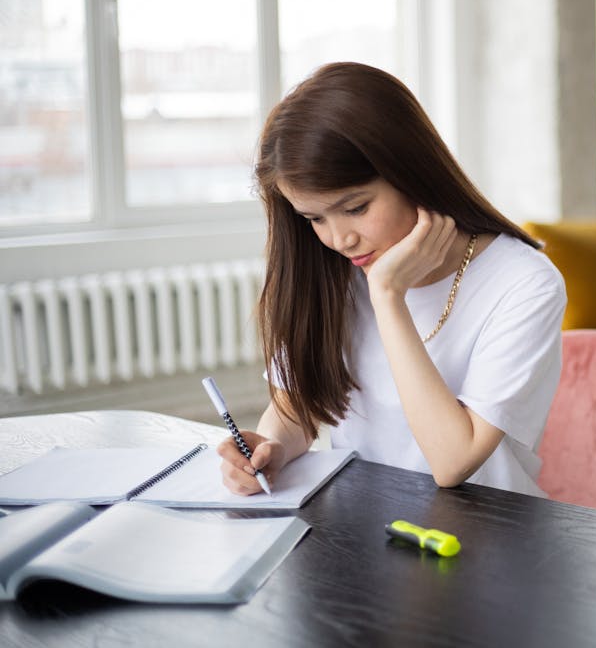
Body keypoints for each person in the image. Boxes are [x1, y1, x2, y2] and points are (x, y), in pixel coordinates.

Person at [217, 62, 567, 497]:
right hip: (366, 523)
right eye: (314, 218)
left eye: (356, 207)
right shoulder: (331, 270)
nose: (339, 238)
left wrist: (388, 296)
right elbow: (295, 410)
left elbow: (453, 462)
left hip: (485, 533)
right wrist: (270, 449)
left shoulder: (525, 284)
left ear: (411, 172)